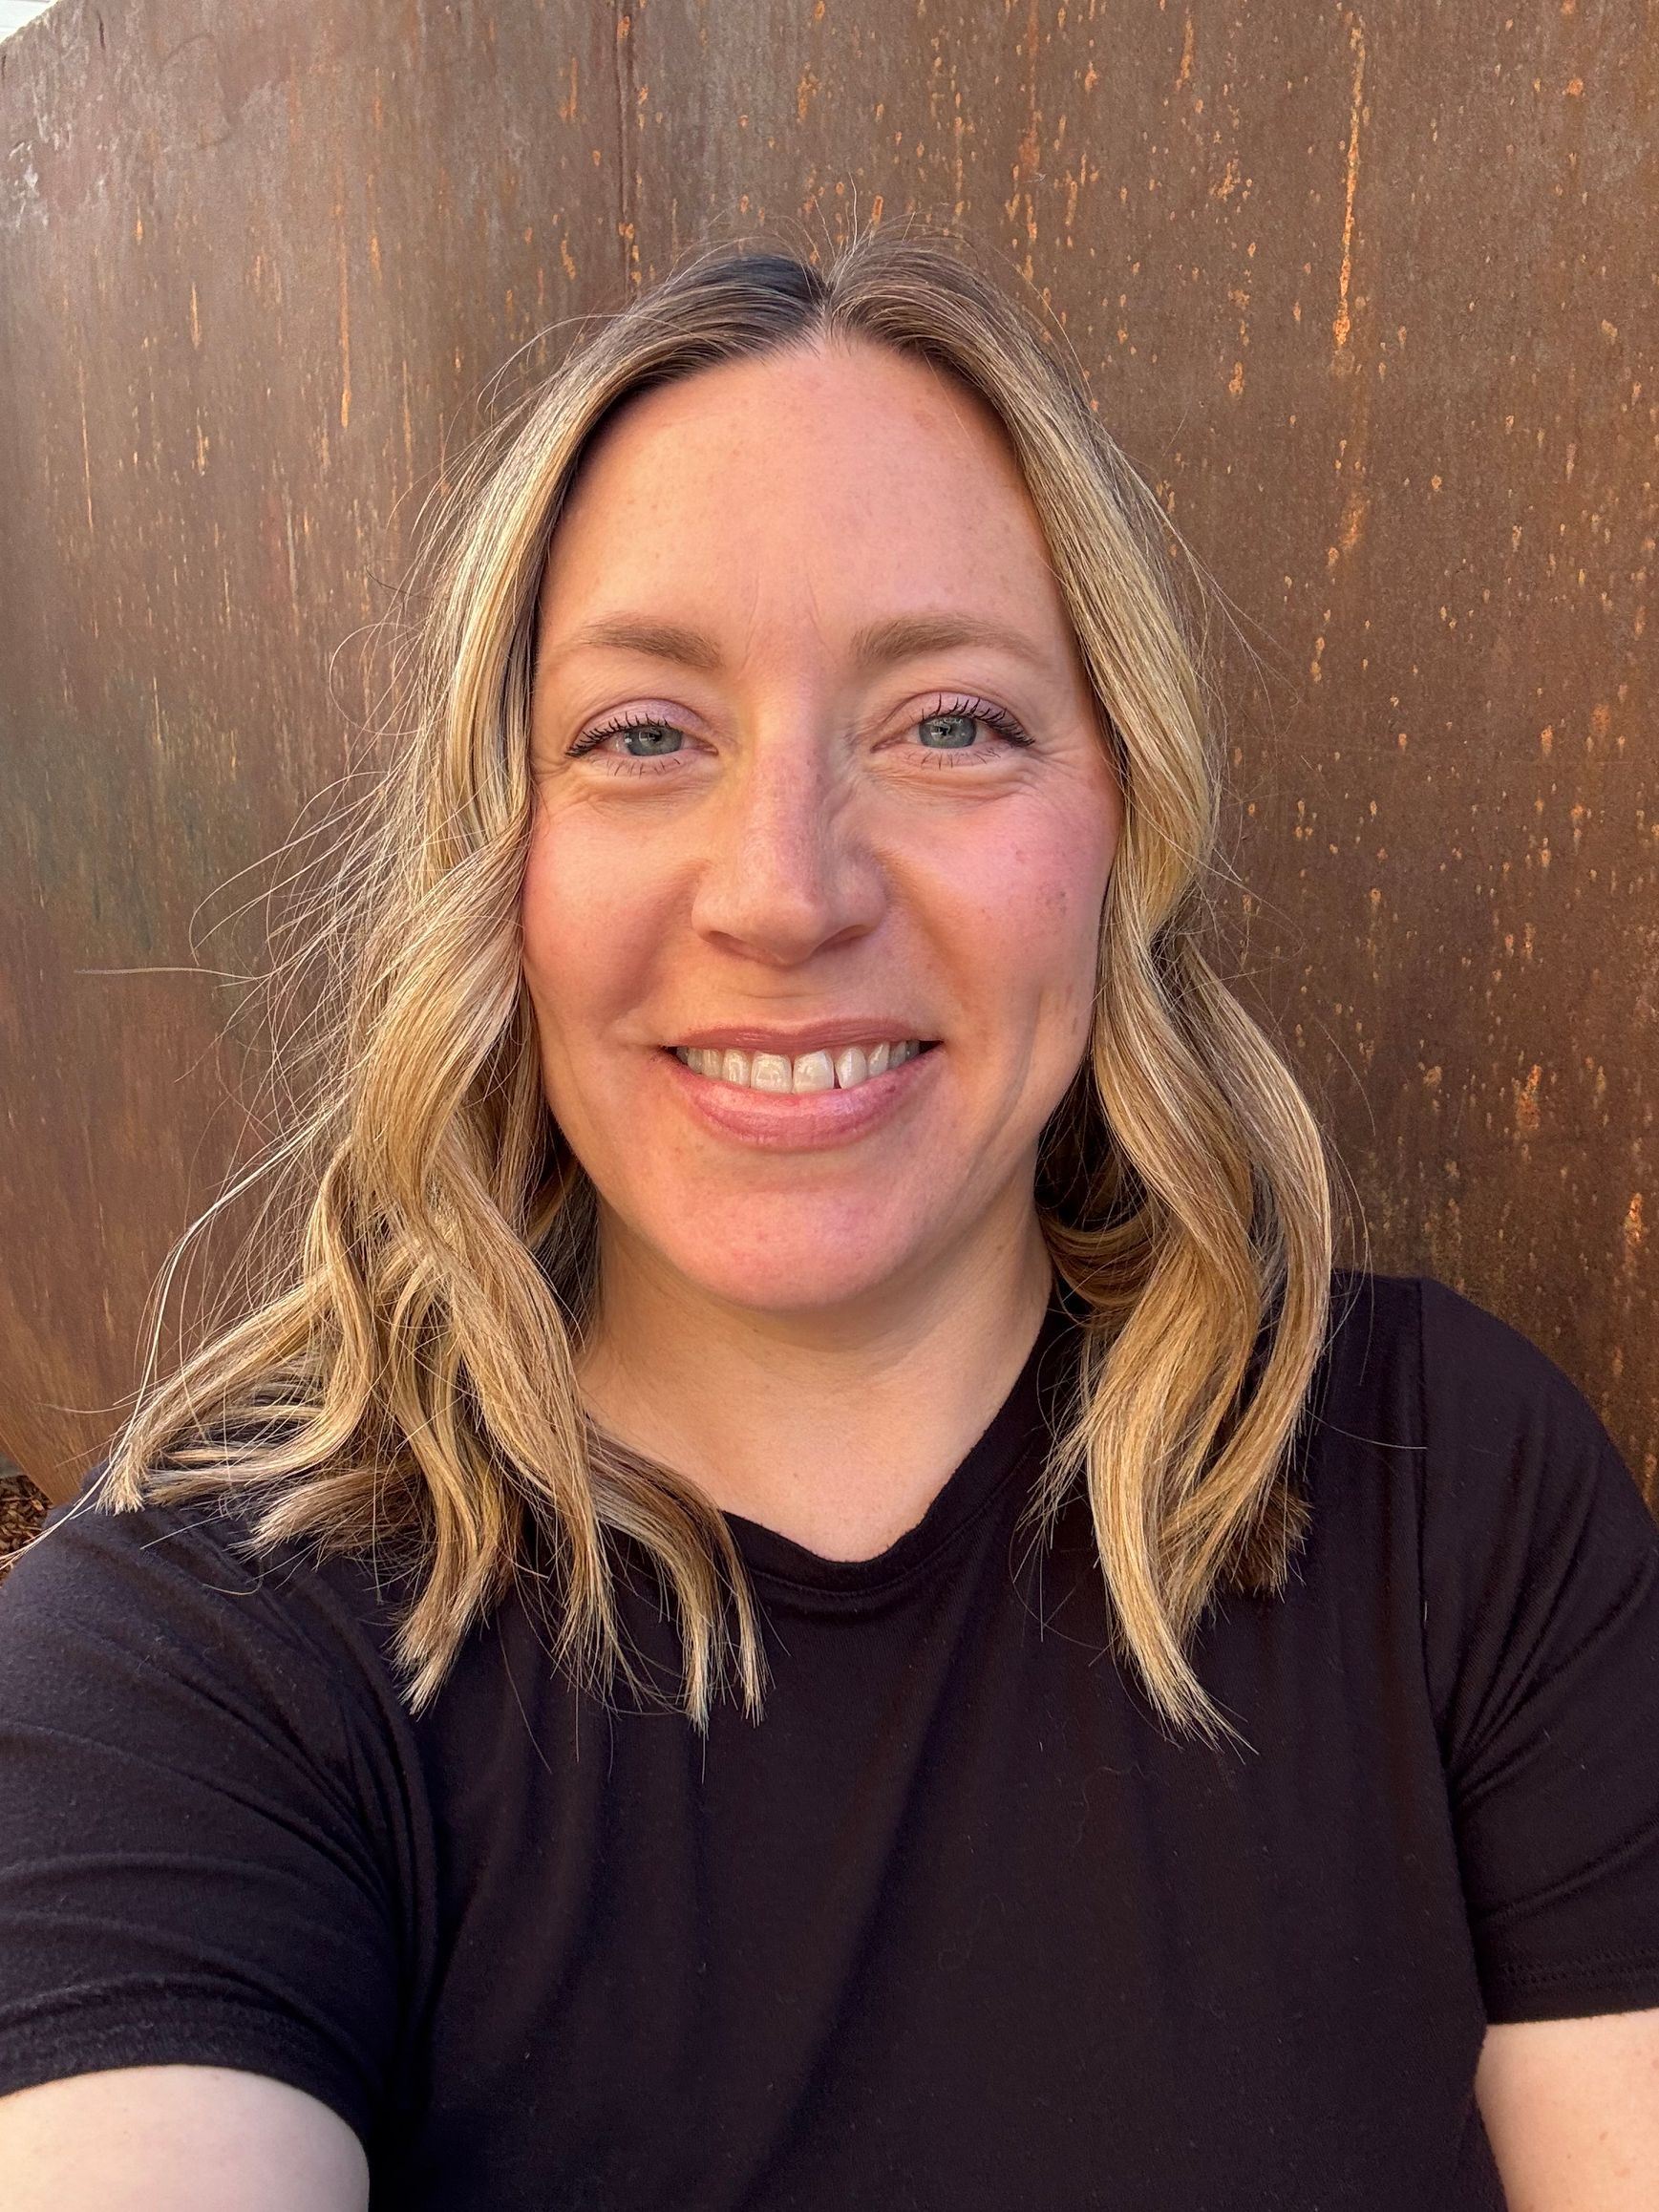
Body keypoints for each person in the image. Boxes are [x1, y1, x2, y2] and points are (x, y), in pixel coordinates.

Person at [0, 227, 1656, 2211]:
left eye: (947, 722)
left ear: (1120, 823)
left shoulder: (1446, 1495)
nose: (784, 894)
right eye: (641, 736)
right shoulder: (199, 1657)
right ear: (497, 852)